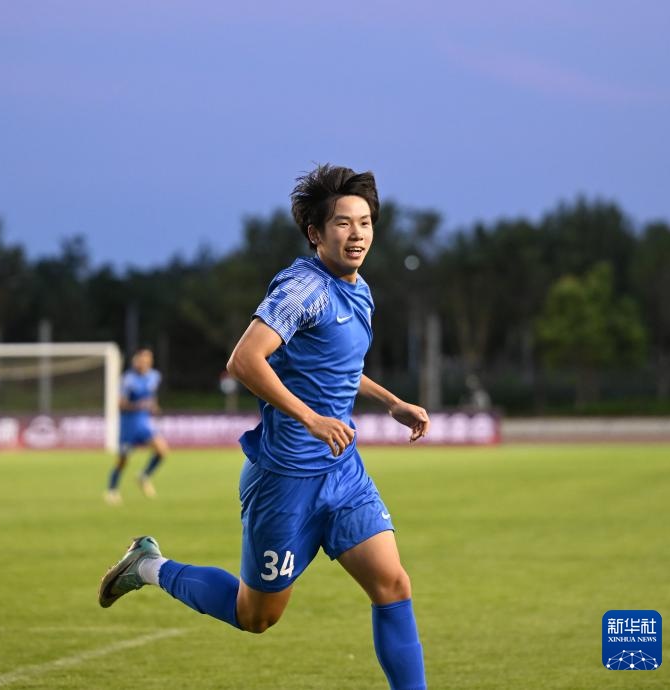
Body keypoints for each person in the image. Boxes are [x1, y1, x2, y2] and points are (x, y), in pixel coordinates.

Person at [99, 165, 431, 690]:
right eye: (343, 223)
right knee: (256, 615)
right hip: (284, 479)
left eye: (365, 222)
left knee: (392, 585)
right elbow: (244, 360)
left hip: (341, 472)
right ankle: (147, 566)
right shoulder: (303, 289)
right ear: (315, 233)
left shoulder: (360, 289)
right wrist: (311, 418)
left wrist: (392, 402)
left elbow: (335, 367)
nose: (357, 234)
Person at [105, 347, 169, 505]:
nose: (145, 362)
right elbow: (120, 404)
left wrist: (154, 406)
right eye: (142, 359)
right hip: (129, 424)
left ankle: (144, 476)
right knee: (123, 460)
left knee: (162, 450)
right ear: (136, 361)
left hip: (144, 423)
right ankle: (112, 490)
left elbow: (151, 396)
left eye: (148, 360)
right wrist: (139, 405)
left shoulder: (154, 376)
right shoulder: (128, 379)